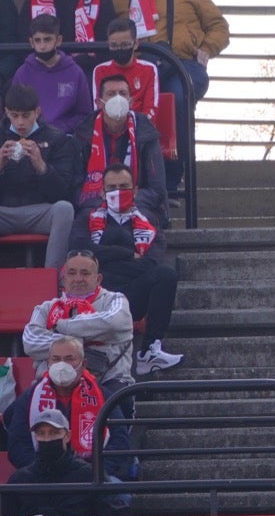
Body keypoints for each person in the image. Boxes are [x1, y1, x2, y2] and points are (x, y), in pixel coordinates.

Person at [66, 165, 182, 375]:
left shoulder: (148, 223)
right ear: (102, 192)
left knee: (166, 275)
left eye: (123, 186)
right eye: (112, 187)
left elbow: (151, 263)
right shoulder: (87, 217)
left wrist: (103, 256)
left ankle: (149, 351)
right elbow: (78, 251)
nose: (118, 191)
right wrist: (126, 253)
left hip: (132, 295)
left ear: (135, 190)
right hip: (96, 293)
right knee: (81, 268)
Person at [6, 336, 132, 477]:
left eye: (69, 359)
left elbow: (119, 442)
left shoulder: (104, 397)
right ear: (48, 363)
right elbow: (17, 444)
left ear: (83, 364)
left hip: (93, 478)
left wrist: (95, 474)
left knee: (119, 496)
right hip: (39, 477)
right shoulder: (30, 398)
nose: (62, 364)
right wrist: (40, 472)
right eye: (56, 359)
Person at [22, 249, 134, 382]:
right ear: (64, 278)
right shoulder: (45, 308)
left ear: (98, 279)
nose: (78, 279)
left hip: (109, 382)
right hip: (54, 384)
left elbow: (114, 324)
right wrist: (89, 339)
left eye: (85, 273)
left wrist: (61, 327)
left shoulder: (116, 300)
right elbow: (31, 342)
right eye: (72, 273)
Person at [0, 83, 79, 269]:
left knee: (65, 209)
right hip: (4, 211)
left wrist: (41, 166)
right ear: (6, 112)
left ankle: (54, 278)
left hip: (40, 211)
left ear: (37, 112)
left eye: (26, 116)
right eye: (14, 115)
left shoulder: (57, 139)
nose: (20, 122)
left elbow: (63, 192)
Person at [1, 407, 120, 516]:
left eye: (54, 433)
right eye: (41, 433)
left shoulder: (90, 475)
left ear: (67, 436)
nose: (47, 439)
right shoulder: (19, 480)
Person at [74, 74, 164, 221]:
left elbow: (157, 190)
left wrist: (124, 200)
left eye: (122, 94)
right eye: (111, 94)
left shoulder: (146, 133)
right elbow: (76, 187)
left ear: (131, 101)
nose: (118, 99)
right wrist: (110, 201)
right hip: (95, 204)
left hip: (138, 205)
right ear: (99, 102)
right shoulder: (84, 133)